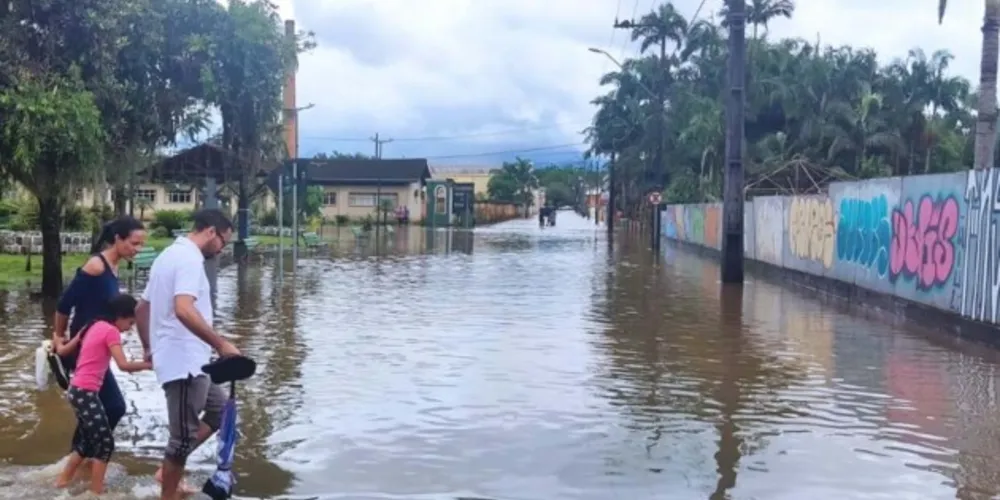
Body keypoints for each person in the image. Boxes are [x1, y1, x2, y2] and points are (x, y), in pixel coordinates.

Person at [134, 208, 241, 499]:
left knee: (220, 410)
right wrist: (221, 344)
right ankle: (168, 494)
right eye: (223, 242)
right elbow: (183, 309)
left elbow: (141, 309)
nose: (221, 249)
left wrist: (148, 347)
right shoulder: (189, 260)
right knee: (181, 439)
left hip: (194, 361)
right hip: (183, 363)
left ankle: (166, 472)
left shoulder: (168, 255)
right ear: (210, 232)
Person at [51, 217, 146, 470]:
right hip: (83, 348)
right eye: (134, 243)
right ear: (118, 239)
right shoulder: (96, 265)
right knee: (114, 406)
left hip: (98, 347)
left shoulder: (114, 267)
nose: (137, 249)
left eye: (141, 245)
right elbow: (64, 304)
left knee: (103, 407)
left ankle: (77, 460)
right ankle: (81, 458)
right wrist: (58, 337)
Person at [55, 294, 153, 494]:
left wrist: (57, 339)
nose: (130, 328)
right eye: (130, 322)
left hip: (76, 390)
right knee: (105, 444)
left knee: (86, 443)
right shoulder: (111, 331)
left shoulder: (91, 325)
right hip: (86, 393)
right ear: (120, 316)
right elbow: (123, 365)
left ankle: (62, 482)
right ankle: (96, 492)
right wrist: (151, 365)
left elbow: (63, 351)